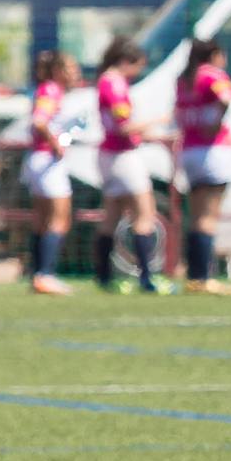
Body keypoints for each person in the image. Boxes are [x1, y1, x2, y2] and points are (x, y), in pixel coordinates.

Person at [92, 36, 165, 294]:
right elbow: (123, 126)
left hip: (111, 155)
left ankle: (103, 277)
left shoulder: (106, 82)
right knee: (145, 214)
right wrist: (158, 121)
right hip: (121, 156)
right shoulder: (114, 84)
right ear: (126, 61)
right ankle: (147, 278)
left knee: (111, 215)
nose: (137, 73)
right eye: (137, 67)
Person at [174, 38, 231, 294]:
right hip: (213, 150)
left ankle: (193, 275)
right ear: (214, 54)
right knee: (208, 217)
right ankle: (204, 277)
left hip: (189, 149)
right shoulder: (212, 74)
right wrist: (217, 120)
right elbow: (226, 97)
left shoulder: (183, 78)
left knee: (196, 216)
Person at [20, 50, 81, 296]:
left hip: (39, 159)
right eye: (70, 68)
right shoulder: (51, 90)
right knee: (58, 218)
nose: (75, 73)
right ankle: (45, 274)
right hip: (47, 159)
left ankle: (38, 274)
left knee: (43, 220)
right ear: (57, 71)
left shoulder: (50, 90)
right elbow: (39, 121)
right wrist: (55, 143)